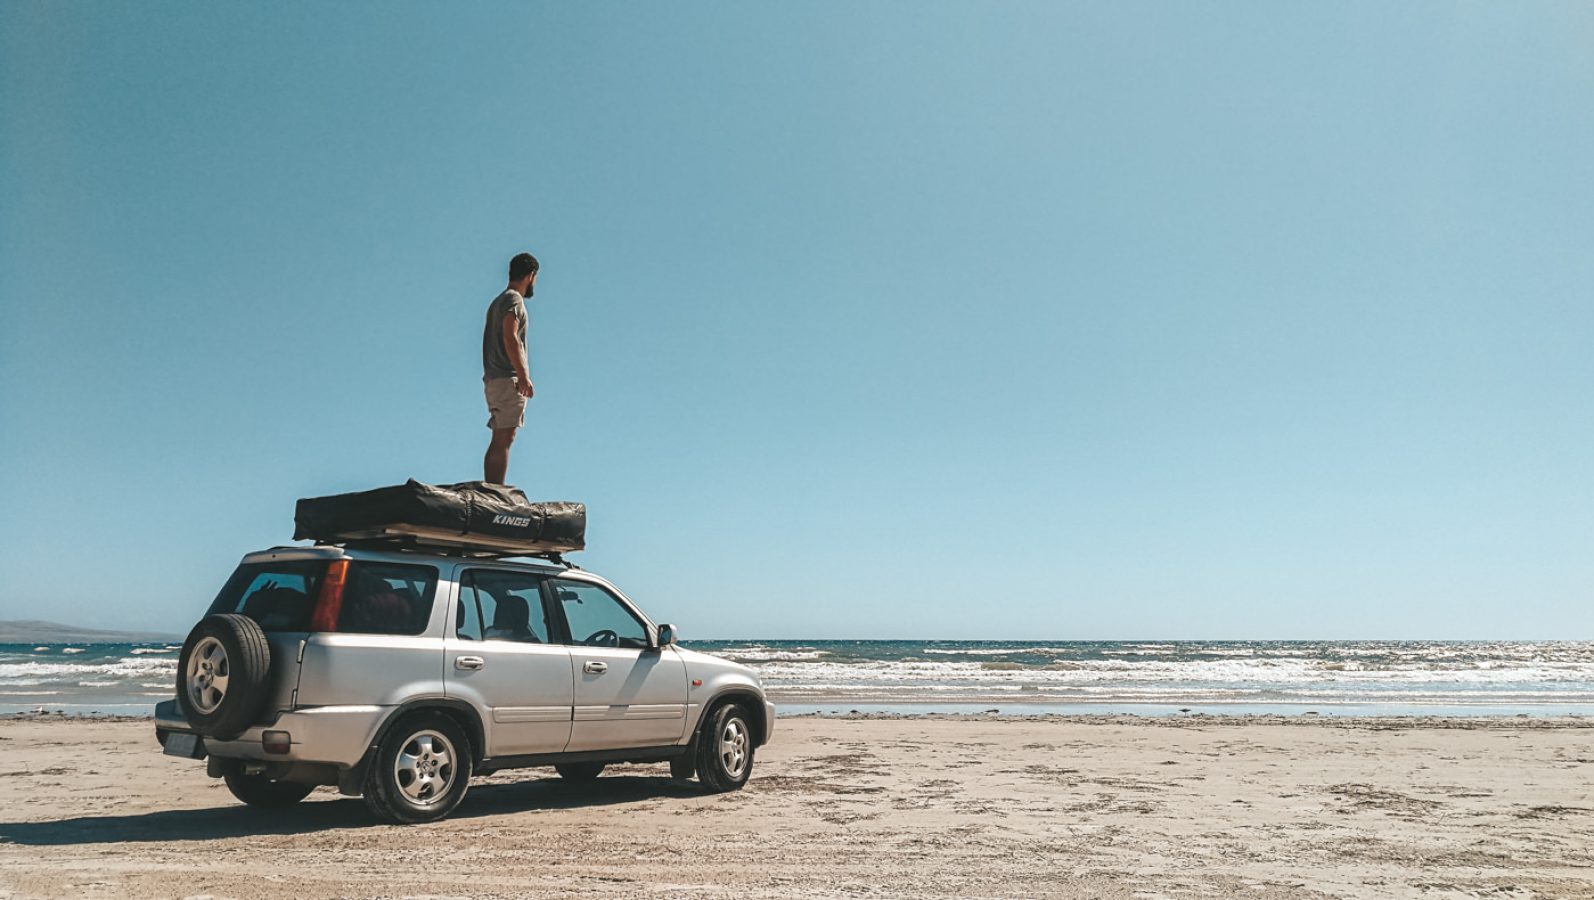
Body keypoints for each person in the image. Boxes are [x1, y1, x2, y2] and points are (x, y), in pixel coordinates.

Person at [482, 252, 538, 484]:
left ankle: (494, 490)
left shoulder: (498, 302)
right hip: (507, 377)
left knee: (502, 436)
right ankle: (496, 492)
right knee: (504, 437)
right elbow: (510, 335)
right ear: (531, 276)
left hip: (495, 377)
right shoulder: (514, 300)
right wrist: (523, 376)